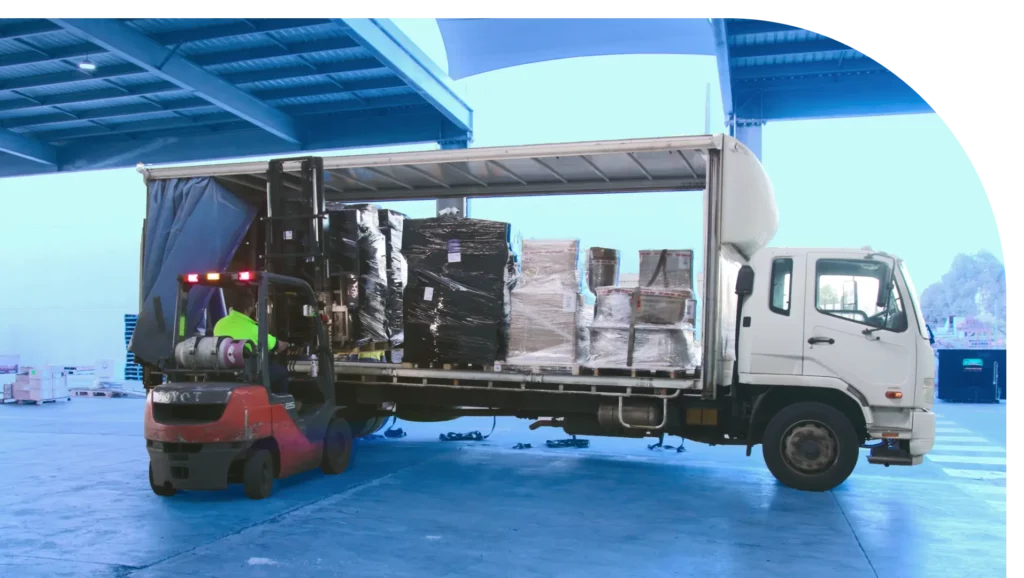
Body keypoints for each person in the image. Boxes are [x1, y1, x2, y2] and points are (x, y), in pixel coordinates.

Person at [213, 290, 291, 396]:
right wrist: (287, 344)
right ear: (249, 308)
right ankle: (282, 404)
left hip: (223, 372)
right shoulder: (254, 329)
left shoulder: (219, 323)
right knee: (281, 371)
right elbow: (276, 346)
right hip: (246, 375)